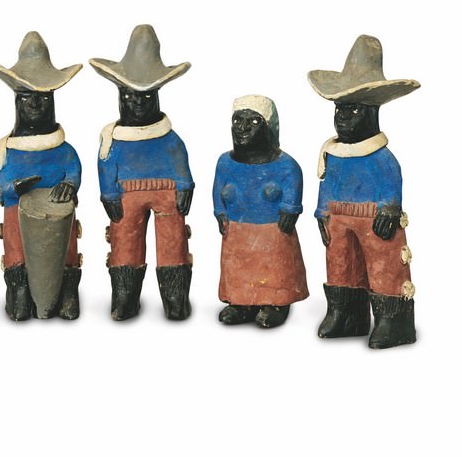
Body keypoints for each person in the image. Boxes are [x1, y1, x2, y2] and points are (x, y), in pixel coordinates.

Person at [309, 34, 419, 349]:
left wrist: (390, 208)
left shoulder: (382, 158)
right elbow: (326, 183)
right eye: (339, 110)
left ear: (371, 112)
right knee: (340, 264)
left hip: (375, 218)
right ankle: (345, 313)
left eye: (353, 110)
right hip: (338, 218)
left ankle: (392, 321)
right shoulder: (333, 152)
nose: (343, 118)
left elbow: (392, 182)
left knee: (385, 266)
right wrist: (322, 212)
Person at [91, 24, 194, 320]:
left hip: (167, 192)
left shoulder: (169, 138)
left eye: (146, 97)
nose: (137, 102)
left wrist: (184, 185)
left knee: (173, 243)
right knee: (124, 242)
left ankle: (175, 297)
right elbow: (105, 165)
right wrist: (109, 193)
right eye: (130, 95)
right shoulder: (112, 139)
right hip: (126, 195)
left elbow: (180, 159)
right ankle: (125, 297)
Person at [0, 31, 83, 320]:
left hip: (58, 212)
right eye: (27, 98)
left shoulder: (63, 148)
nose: (35, 105)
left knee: (65, 250)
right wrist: (15, 187)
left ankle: (66, 293)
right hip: (17, 210)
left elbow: (73, 169)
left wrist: (69, 184)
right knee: (17, 250)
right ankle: (19, 292)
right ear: (17, 101)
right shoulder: (8, 149)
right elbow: (1, 183)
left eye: (42, 98)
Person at [212, 95, 307, 328]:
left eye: (253, 122)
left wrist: (290, 209)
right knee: (237, 265)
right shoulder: (225, 163)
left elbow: (293, 183)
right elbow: (216, 189)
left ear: (268, 128)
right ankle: (241, 301)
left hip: (273, 231)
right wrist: (220, 211)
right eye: (237, 120)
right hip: (237, 230)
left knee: (275, 265)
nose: (242, 127)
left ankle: (276, 302)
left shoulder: (286, 165)